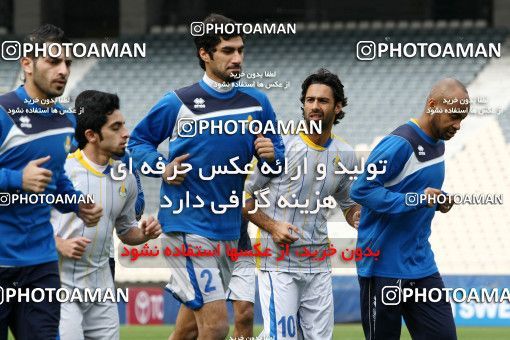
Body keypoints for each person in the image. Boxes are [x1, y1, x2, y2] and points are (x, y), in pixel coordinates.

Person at [128, 13, 285, 340]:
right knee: (215, 328)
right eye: (228, 50)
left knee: (186, 332)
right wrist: (162, 167)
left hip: (229, 230)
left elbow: (276, 162)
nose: (237, 58)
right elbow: (137, 142)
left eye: (240, 50)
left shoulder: (258, 103)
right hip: (187, 226)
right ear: (205, 54)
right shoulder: (178, 102)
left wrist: (272, 156)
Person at [0, 24, 102, 340]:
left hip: (40, 263)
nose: (63, 70)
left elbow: (55, 182)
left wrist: (77, 204)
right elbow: (27, 180)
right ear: (27, 64)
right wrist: (17, 179)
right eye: (53, 61)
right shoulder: (3, 112)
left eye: (68, 63)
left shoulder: (66, 123)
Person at [243, 68, 361, 339]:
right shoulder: (280, 147)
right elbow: (241, 196)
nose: (315, 107)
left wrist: (357, 217)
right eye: (310, 100)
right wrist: (272, 226)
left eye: (323, 101)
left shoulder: (345, 155)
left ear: (338, 107)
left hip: (318, 263)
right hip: (277, 261)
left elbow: (348, 202)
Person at [350, 78, 469, 340]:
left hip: (421, 265)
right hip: (382, 267)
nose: (458, 125)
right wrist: (414, 199)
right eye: (454, 116)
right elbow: (360, 190)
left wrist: (440, 201)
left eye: (463, 118)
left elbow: (419, 190)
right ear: (432, 105)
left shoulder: (439, 144)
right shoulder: (399, 143)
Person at [52, 90, 162, 340]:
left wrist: (143, 234)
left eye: (124, 124)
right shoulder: (62, 172)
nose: (126, 134)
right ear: (91, 135)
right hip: (61, 287)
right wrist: (60, 244)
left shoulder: (127, 177)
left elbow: (126, 232)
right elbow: (29, 225)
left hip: (103, 288)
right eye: (116, 127)